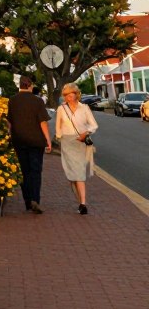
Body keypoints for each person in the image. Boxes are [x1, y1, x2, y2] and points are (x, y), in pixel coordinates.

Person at [6, 75, 52, 214]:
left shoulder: (12, 101)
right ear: (30, 85)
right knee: (35, 171)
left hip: (19, 140)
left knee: (24, 171)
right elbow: (42, 122)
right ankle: (35, 199)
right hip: (36, 140)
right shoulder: (37, 101)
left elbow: (9, 122)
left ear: (19, 85)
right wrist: (48, 140)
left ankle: (27, 201)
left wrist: (9, 134)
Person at [56, 82, 98, 215]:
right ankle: (80, 201)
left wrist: (85, 133)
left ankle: (83, 203)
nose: (69, 97)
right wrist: (59, 139)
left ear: (76, 94)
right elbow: (58, 127)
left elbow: (94, 125)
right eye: (66, 95)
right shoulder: (61, 109)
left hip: (80, 142)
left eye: (71, 94)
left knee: (79, 172)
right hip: (67, 142)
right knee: (71, 175)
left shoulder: (84, 108)